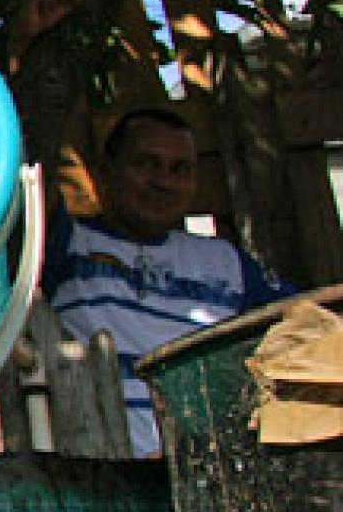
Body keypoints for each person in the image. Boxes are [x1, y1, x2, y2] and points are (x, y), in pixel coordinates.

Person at [41, 105, 296, 458]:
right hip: (104, 474)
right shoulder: (64, 245)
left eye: (180, 170)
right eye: (146, 164)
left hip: (212, 475)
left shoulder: (227, 263)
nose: (163, 182)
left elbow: (304, 325)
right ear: (105, 172)